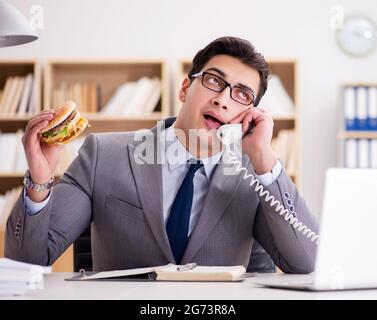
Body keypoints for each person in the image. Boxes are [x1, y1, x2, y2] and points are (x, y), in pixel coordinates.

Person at [5, 36, 318, 273]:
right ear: (185, 89)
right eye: (214, 81)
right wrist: (39, 182)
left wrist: (265, 160)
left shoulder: (254, 175)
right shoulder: (103, 154)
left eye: (242, 94)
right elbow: (28, 263)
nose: (223, 99)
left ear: (248, 115)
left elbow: (306, 263)